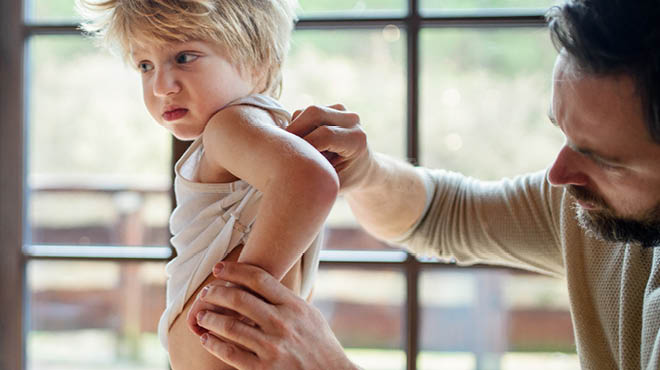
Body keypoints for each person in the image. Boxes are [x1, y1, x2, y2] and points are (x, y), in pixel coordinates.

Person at [191, 0, 660, 369]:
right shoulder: (590, 204)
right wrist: (366, 173)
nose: (558, 175)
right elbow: (446, 214)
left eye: (604, 160)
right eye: (562, 133)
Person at [77, 1, 339, 369]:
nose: (161, 86)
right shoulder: (262, 137)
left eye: (184, 57)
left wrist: (240, 298)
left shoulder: (229, 127)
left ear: (257, 60)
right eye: (145, 65)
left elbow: (311, 180)